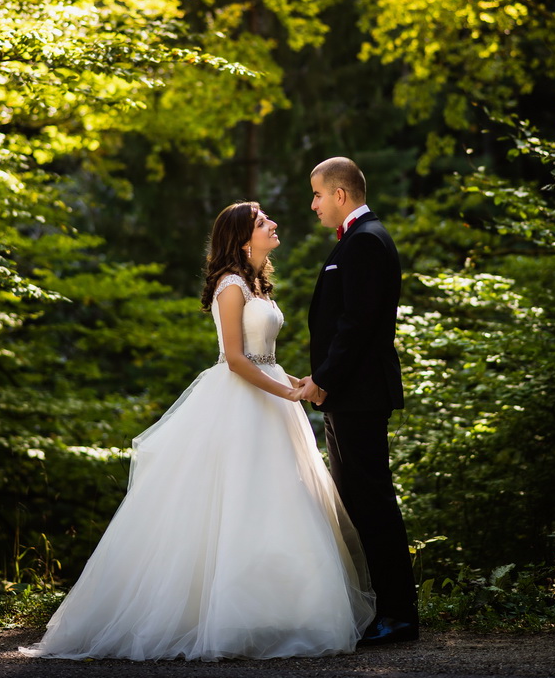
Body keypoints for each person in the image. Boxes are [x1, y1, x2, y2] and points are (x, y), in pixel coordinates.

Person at [20, 201, 374, 662]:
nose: (273, 224)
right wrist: (289, 393)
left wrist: (303, 382)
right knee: (233, 500)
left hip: (269, 396)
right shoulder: (230, 285)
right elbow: (236, 360)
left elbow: (265, 358)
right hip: (240, 401)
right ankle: (218, 615)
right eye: (262, 221)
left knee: (275, 499)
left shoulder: (257, 283)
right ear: (243, 239)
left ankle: (279, 609)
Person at [299, 157, 419, 644]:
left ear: (340, 194)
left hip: (358, 394)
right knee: (358, 502)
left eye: (317, 195)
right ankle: (381, 609)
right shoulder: (357, 239)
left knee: (373, 503)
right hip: (349, 393)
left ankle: (399, 615)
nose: (313, 205)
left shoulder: (366, 240)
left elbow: (357, 324)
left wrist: (325, 380)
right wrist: (321, 378)